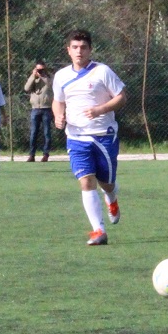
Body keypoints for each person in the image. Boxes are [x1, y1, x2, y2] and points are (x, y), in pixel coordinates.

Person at [52, 29, 126, 245]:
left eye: (83, 47)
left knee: (107, 183)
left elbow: (121, 97)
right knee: (86, 181)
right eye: (74, 47)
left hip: (104, 135)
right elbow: (58, 101)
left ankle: (111, 198)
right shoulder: (61, 76)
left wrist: (100, 109)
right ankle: (98, 230)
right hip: (76, 137)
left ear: (90, 49)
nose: (79, 51)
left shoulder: (102, 71)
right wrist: (58, 115)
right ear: (68, 50)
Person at [24, 61, 53, 161]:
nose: (40, 71)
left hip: (47, 108)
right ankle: (32, 155)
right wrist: (33, 76)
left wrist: (43, 76)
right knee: (33, 132)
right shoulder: (33, 78)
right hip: (35, 108)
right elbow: (26, 88)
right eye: (38, 69)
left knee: (47, 132)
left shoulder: (49, 78)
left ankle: (46, 154)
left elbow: (50, 85)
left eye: (42, 69)